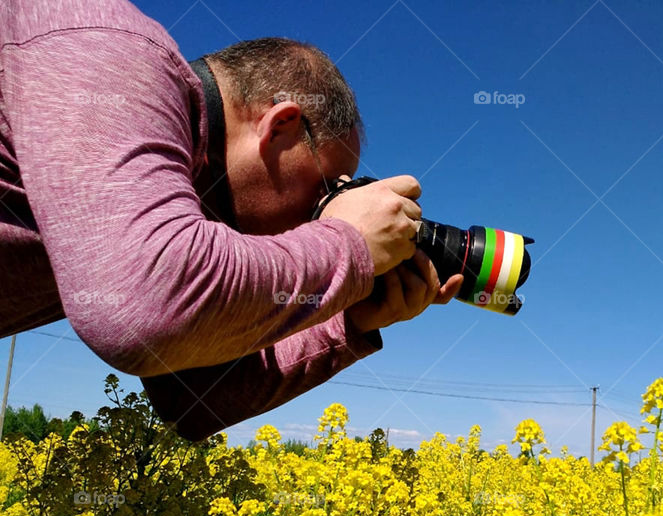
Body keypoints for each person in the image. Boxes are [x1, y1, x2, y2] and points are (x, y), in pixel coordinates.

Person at [0, 0, 463, 440]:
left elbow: (191, 400)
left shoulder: (184, 205)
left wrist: (350, 322)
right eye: (326, 189)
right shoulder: (109, 51)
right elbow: (140, 316)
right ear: (280, 125)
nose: (323, 211)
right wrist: (348, 244)